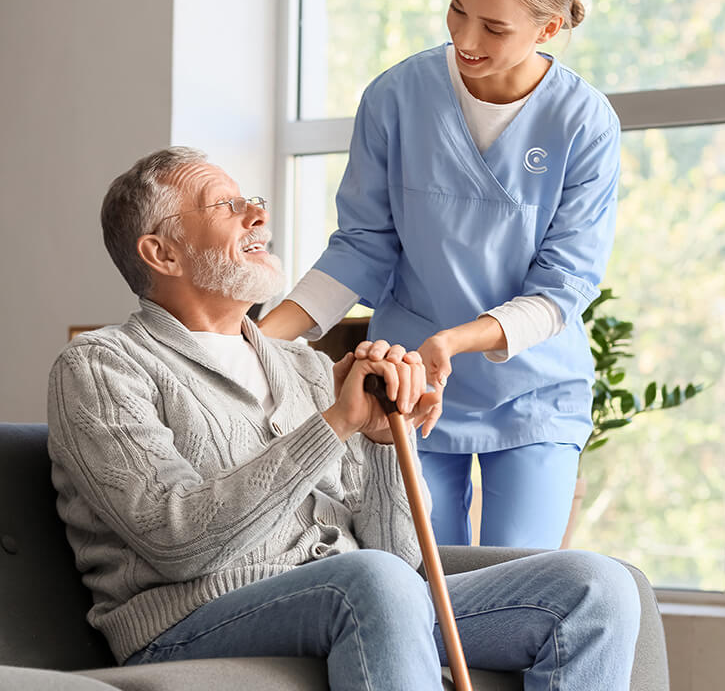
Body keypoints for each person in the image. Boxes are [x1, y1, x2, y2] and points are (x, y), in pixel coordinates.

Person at [47, 147, 639, 690]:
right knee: (371, 583)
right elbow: (176, 541)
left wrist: (383, 441)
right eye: (227, 206)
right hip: (189, 619)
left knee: (596, 589)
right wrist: (332, 425)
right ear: (162, 252)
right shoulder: (102, 365)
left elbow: (399, 560)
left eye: (253, 201)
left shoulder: (304, 366)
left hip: (356, 596)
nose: (258, 215)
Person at [259, 0, 620, 549]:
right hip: (409, 384)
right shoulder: (396, 98)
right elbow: (362, 247)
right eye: (457, 9)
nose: (465, 38)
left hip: (533, 390)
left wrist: (454, 341)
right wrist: (253, 343)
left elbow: (563, 286)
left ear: (548, 29)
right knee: (426, 576)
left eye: (494, 28)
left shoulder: (583, 124)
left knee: (519, 581)